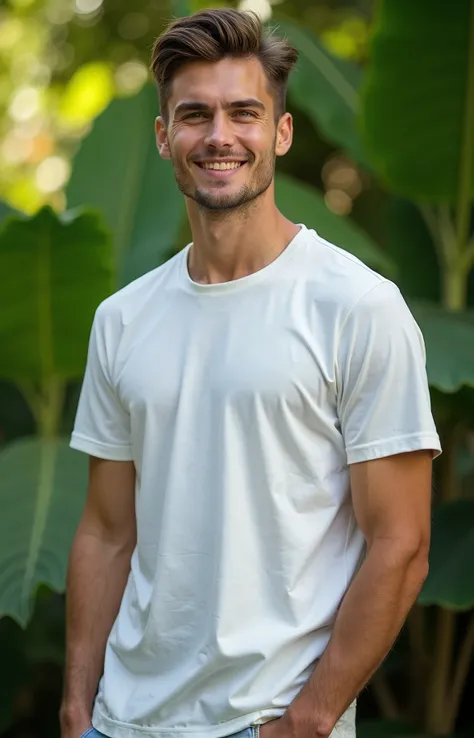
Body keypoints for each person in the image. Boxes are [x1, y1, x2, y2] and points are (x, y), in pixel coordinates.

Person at [60, 8, 442, 738]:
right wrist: (78, 708)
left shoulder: (357, 307)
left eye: (244, 112)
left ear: (282, 133)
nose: (219, 136)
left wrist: (309, 719)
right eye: (194, 115)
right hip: (120, 722)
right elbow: (106, 532)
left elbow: (402, 545)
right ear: (165, 137)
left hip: (268, 723)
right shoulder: (123, 318)